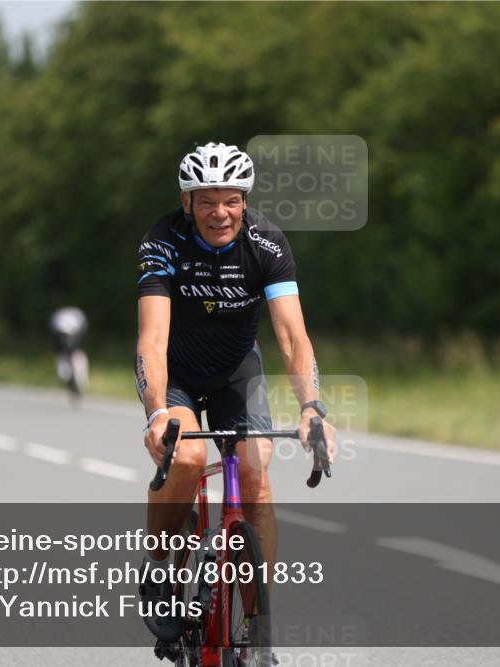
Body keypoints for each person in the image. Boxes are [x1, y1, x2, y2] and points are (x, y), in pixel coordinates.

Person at [135, 142, 336, 620]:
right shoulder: (163, 240)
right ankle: (159, 566)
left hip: (236, 374)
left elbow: (292, 337)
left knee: (253, 476)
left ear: (245, 202)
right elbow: (153, 337)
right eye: (206, 200)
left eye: (231, 200)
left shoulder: (267, 244)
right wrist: (158, 411)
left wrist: (312, 407)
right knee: (186, 457)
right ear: (187, 202)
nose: (219, 213)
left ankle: (256, 625)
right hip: (178, 373)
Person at [49, 306, 89, 402]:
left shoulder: (78, 356)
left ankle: (77, 385)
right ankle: (73, 385)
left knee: (77, 359)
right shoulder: (73, 315)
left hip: (73, 341)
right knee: (65, 367)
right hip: (67, 342)